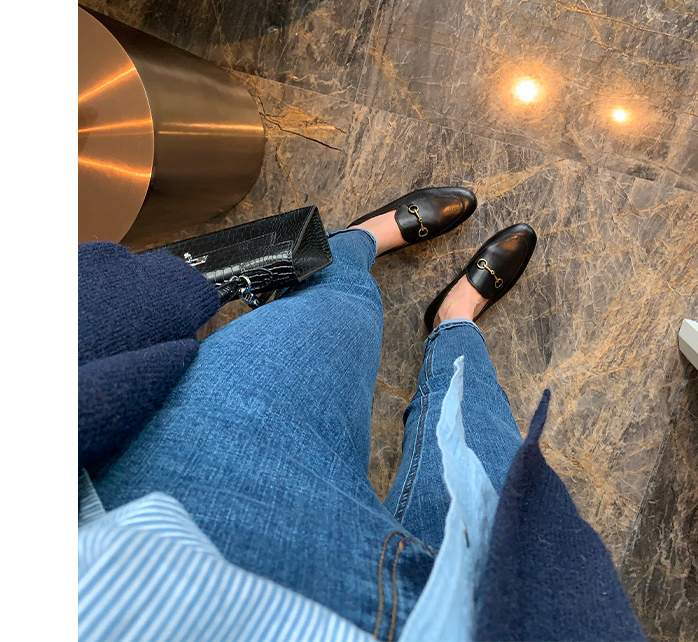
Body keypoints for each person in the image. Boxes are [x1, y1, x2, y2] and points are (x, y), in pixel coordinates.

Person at [78, 187, 646, 642]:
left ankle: (355, 243)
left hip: (151, 533)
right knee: (474, 421)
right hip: (503, 621)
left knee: (332, 314)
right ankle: (455, 319)